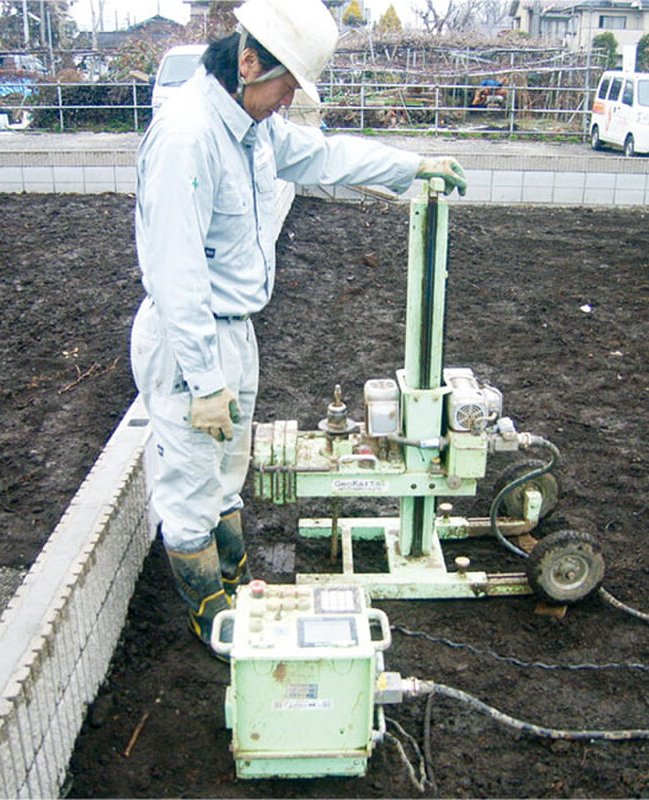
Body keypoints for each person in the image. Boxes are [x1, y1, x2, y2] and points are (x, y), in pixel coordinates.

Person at [131, 0, 468, 657]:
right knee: (191, 491)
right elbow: (176, 275)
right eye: (286, 87)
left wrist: (411, 166)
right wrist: (204, 382)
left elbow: (325, 156)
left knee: (224, 477)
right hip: (189, 342)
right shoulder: (188, 137)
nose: (288, 102)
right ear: (248, 63)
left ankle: (235, 590)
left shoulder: (253, 129)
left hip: (234, 332)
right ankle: (213, 623)